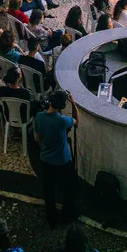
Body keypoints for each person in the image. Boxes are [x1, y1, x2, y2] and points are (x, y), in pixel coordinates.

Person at [34, 90, 78, 227]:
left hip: (45, 160)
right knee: (68, 189)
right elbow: (76, 122)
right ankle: (66, 216)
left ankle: (51, 218)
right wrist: (74, 105)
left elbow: (37, 139)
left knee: (49, 190)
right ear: (63, 106)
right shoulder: (62, 121)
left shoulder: (39, 117)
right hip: (62, 162)